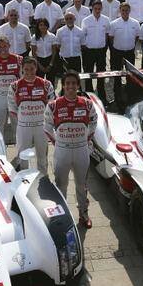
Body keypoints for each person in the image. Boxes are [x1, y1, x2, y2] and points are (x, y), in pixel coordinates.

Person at [43, 71, 96, 228]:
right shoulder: (53, 105)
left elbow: (94, 121)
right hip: (62, 151)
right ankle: (63, 216)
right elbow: (47, 127)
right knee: (61, 185)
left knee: (81, 185)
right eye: (68, 83)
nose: (71, 86)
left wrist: (86, 138)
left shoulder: (87, 103)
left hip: (81, 150)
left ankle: (83, 214)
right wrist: (57, 141)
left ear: (78, 85)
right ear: (63, 85)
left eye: (74, 83)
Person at [9, 57, 54, 172]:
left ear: (36, 68)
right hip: (24, 127)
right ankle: (24, 179)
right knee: (23, 158)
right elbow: (12, 107)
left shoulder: (46, 84)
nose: (29, 72)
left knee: (42, 157)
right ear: (22, 69)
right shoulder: (15, 86)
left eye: (32, 69)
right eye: (26, 69)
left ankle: (43, 179)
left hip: (41, 126)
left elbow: (52, 106)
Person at [0, 37, 23, 138]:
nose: (3, 49)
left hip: (14, 97)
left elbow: (22, 77)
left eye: (5, 46)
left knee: (18, 124)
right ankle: (0, 150)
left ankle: (21, 150)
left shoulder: (18, 59)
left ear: (9, 46)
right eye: (0, 46)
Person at [108, 2, 140, 104]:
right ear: (120, 11)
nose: (125, 12)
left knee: (130, 75)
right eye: (123, 10)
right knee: (117, 75)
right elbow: (111, 38)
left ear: (129, 11)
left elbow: (137, 37)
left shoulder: (135, 23)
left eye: (126, 10)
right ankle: (117, 97)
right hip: (117, 53)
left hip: (130, 52)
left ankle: (130, 95)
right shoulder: (114, 24)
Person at [81, 0, 110, 98]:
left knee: (101, 73)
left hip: (101, 51)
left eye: (99, 9)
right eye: (95, 9)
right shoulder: (86, 20)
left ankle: (101, 94)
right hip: (89, 51)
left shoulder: (106, 20)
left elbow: (107, 34)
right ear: (92, 9)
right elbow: (83, 35)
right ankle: (89, 94)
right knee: (88, 72)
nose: (97, 10)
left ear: (101, 9)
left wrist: (104, 47)